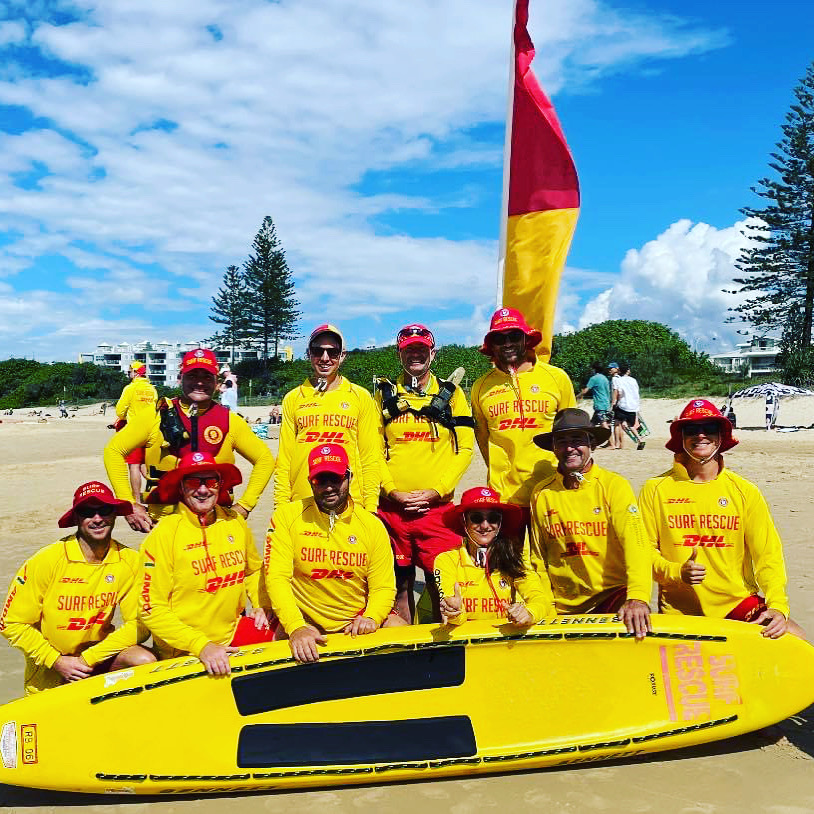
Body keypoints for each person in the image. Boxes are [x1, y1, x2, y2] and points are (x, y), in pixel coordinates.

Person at [639, 399, 804, 639]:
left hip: (736, 605)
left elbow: (768, 555)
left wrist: (778, 605)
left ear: (721, 436)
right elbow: (643, 554)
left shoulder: (744, 491)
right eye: (692, 430)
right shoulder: (656, 489)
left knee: (796, 638)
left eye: (709, 428)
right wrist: (676, 571)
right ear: (681, 437)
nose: (701, 435)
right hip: (680, 613)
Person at [0, 481, 155, 694]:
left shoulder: (130, 561)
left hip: (97, 657)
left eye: (105, 510)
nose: (98, 518)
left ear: (115, 514)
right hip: (52, 665)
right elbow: (11, 623)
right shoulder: (48, 560)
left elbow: (140, 624)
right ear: (76, 518)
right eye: (87, 512)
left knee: (145, 660)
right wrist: (56, 660)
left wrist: (89, 658)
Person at [104, 348, 274, 532]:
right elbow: (113, 451)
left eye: (207, 377)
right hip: (165, 526)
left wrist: (245, 506)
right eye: (192, 375)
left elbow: (264, 459)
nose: (199, 382)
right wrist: (128, 504)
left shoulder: (231, 421)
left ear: (216, 383)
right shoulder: (154, 415)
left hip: (217, 526)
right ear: (180, 378)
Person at [265, 444, 405, 664]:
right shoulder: (287, 516)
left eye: (336, 479)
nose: (329, 487)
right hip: (306, 618)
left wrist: (370, 617)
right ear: (310, 482)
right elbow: (276, 578)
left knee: (400, 631)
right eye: (320, 481)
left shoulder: (372, 525)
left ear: (349, 477)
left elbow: (383, 587)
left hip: (356, 617)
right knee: (274, 641)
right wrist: (296, 627)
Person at [138, 452, 272, 676]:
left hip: (232, 631)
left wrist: (260, 604)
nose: (203, 489)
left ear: (220, 486)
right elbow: (150, 607)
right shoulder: (164, 533)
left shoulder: (234, 522)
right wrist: (201, 646)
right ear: (181, 487)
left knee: (294, 634)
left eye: (211, 481)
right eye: (193, 482)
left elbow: (252, 570)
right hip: (183, 648)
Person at [376, 324, 475, 622]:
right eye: (409, 350)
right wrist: (392, 490)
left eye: (421, 349)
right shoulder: (384, 395)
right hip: (393, 510)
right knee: (400, 585)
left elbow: (465, 450)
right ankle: (405, 647)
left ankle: (437, 643)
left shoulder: (453, 394)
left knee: (439, 582)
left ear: (432, 353)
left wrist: (438, 490)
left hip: (437, 510)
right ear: (399, 354)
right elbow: (372, 451)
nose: (415, 355)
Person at [528, 409, 652, 638]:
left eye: (577, 440)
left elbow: (637, 545)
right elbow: (538, 558)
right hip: (563, 607)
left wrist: (638, 597)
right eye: (561, 441)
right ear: (553, 447)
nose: (569, 448)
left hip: (611, 596)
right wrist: (544, 606)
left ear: (592, 444)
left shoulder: (614, 486)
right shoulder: (542, 493)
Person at [470, 307, 576, 511]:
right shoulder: (480, 386)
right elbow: (482, 438)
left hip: (551, 489)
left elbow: (571, 433)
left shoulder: (557, 377)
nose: (507, 343)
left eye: (514, 336)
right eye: (499, 339)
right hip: (504, 495)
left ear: (525, 338)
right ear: (491, 345)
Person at [274, 324, 381, 512]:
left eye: (332, 352)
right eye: (318, 351)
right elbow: (284, 462)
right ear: (308, 354)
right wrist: (281, 507)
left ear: (342, 356)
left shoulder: (360, 397)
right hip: (302, 505)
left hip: (350, 503)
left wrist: (371, 506)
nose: (325, 358)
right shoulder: (293, 398)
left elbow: (370, 457)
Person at [435, 486, 554, 626]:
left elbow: (540, 599)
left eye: (493, 518)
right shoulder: (446, 561)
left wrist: (528, 613)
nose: (485, 525)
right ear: (464, 522)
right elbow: (453, 615)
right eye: (476, 518)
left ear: (500, 523)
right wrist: (454, 612)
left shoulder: (514, 557)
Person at [114, 361, 158, 499]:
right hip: (151, 430)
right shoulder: (152, 389)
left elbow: (120, 411)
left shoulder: (130, 388)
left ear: (135, 372)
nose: (129, 374)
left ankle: (136, 499)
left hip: (135, 430)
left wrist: (125, 416)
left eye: (130, 372)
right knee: (145, 464)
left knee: (134, 465)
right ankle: (159, 489)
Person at [579, 361, 614, 447]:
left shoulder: (594, 378)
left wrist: (577, 396)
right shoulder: (605, 378)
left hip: (600, 405)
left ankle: (612, 444)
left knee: (604, 424)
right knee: (591, 424)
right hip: (606, 404)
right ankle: (588, 442)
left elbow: (586, 390)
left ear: (594, 369)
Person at [611, 363, 645, 450]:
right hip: (633, 406)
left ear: (619, 371)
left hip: (622, 405)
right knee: (631, 425)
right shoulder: (633, 380)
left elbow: (617, 392)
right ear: (628, 371)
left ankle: (617, 444)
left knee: (617, 422)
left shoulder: (619, 380)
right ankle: (639, 439)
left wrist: (613, 403)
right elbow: (636, 392)